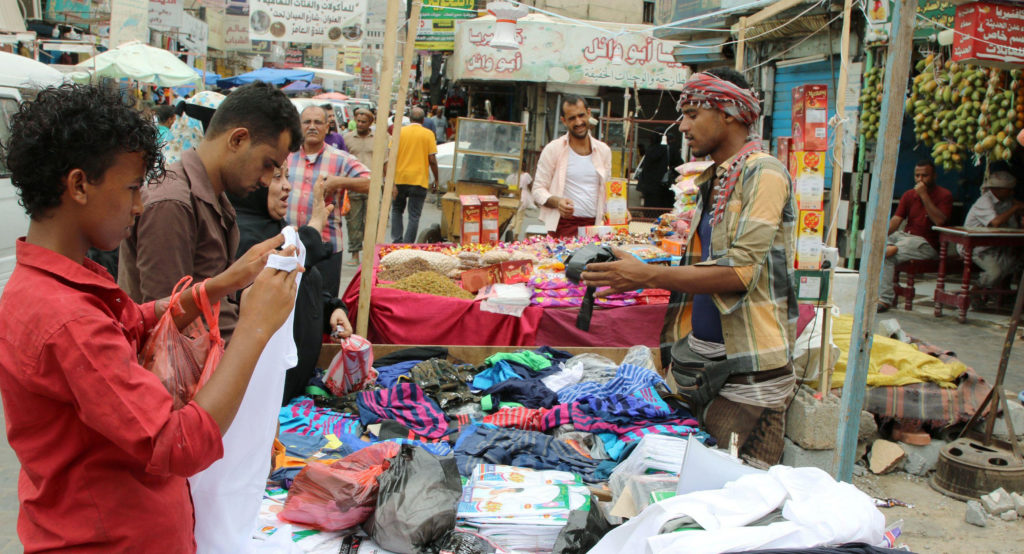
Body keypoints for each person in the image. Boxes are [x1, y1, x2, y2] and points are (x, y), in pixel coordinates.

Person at [0, 83, 300, 552]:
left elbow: (127, 325)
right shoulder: (65, 319)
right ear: (80, 185)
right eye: (133, 188)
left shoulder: (58, 284)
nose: (140, 205)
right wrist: (256, 329)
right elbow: (177, 443)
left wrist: (219, 285)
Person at [581, 70, 797, 466]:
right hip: (700, 360)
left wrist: (647, 274)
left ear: (729, 112)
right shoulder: (715, 179)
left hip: (747, 370)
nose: (683, 126)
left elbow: (738, 273)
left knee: (725, 490)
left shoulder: (763, 173)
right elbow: (702, 263)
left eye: (693, 114)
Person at [120, 81, 302, 342]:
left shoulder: (214, 197)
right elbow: (162, 325)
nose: (265, 180)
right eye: (267, 164)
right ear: (238, 139)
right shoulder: (173, 202)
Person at [231, 170, 352, 404]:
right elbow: (284, 266)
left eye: (287, 176)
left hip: (296, 388)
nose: (287, 186)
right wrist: (314, 226)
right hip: (266, 395)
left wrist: (332, 309)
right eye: (276, 177)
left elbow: (304, 281)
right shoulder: (244, 237)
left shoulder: (279, 229)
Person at [285, 105, 370, 296]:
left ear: (327, 127)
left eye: (318, 122)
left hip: (326, 246)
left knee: (323, 306)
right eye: (307, 122)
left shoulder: (340, 158)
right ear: (299, 126)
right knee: (288, 306)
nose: (312, 127)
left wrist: (339, 181)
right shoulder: (287, 156)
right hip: (290, 246)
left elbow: (371, 182)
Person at [877, 159, 953, 312]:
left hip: (926, 244)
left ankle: (884, 299)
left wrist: (924, 196)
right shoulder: (908, 195)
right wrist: (879, 235)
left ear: (934, 176)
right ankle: (875, 293)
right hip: (904, 236)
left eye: (924, 176)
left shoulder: (944, 195)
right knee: (872, 240)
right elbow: (896, 220)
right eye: (917, 176)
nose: (920, 180)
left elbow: (939, 221)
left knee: (888, 253)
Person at [532, 94, 612, 238]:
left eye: (581, 115)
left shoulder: (603, 151)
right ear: (564, 121)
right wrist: (558, 202)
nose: (578, 122)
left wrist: (619, 210)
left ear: (589, 113)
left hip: (595, 228)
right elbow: (537, 190)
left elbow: (607, 191)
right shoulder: (553, 149)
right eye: (572, 118)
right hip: (564, 227)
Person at [960, 171, 1024, 294]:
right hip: (977, 248)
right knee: (995, 273)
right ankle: (976, 290)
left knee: (1017, 261)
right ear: (997, 190)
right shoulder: (985, 201)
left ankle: (1003, 293)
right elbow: (995, 223)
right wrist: (1015, 208)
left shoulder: (1007, 201)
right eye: (1009, 190)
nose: (1012, 193)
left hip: (997, 246)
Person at [390, 106, 439, 243]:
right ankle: (407, 244)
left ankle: (397, 241)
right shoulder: (428, 134)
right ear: (423, 120)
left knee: (397, 210)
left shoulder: (398, 132)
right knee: (414, 215)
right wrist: (436, 180)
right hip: (419, 180)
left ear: (410, 118)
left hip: (399, 178)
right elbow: (432, 160)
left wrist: (391, 182)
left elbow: (391, 157)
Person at [342, 108, 375, 266]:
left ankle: (370, 255)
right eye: (358, 121)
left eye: (364, 122)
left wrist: (392, 184)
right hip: (353, 185)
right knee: (353, 222)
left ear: (370, 123)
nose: (360, 124)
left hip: (373, 186)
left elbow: (385, 162)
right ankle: (354, 253)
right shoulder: (347, 138)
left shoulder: (378, 138)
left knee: (371, 221)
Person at [637, 136, 674, 208]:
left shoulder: (650, 150)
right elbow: (678, 164)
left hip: (649, 187)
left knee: (650, 208)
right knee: (663, 209)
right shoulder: (669, 150)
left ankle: (647, 217)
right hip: (663, 187)